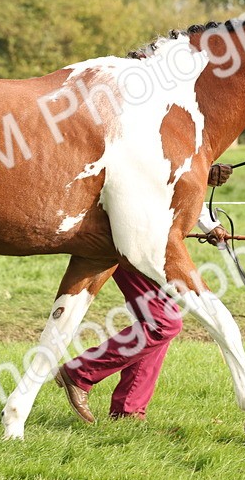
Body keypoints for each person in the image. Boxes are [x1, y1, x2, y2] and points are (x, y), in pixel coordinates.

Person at [54, 164, 234, 422]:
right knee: (163, 323)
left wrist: (209, 223)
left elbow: (177, 179)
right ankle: (80, 373)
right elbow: (152, 169)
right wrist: (204, 175)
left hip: (152, 242)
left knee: (161, 323)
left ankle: (128, 409)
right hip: (130, 241)